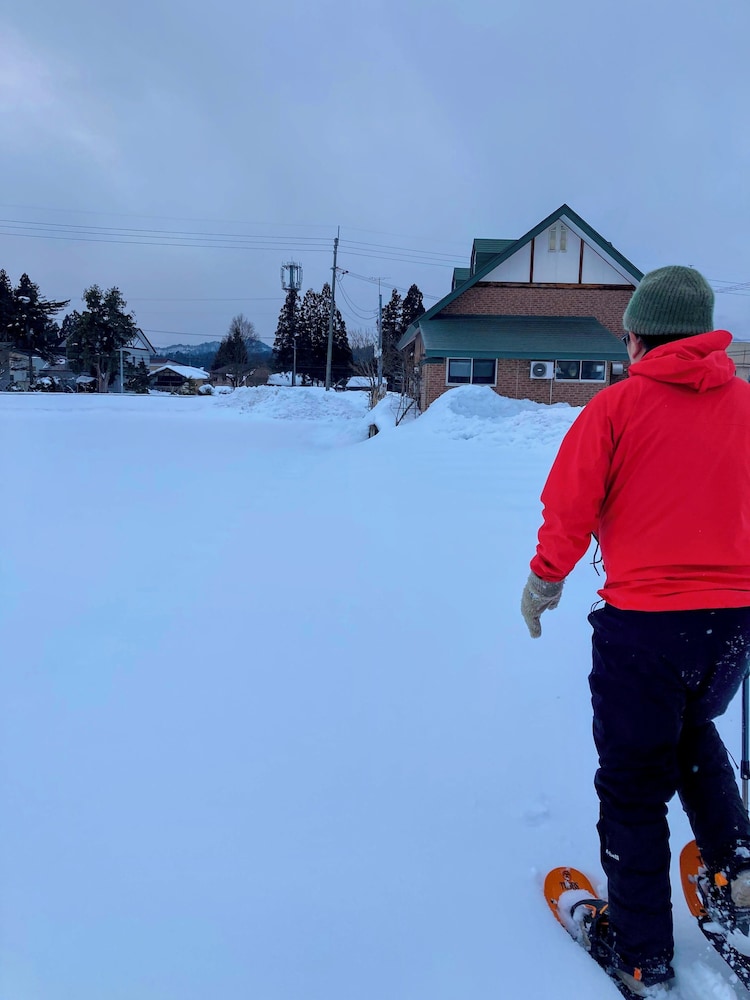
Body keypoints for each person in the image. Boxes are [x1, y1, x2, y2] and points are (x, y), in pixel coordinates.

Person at [520, 265, 750, 996]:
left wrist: (544, 580)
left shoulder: (617, 408)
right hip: (731, 625)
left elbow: (570, 506)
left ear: (640, 338)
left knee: (633, 782)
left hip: (645, 628)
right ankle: (739, 879)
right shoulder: (747, 405)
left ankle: (641, 949)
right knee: (691, 731)